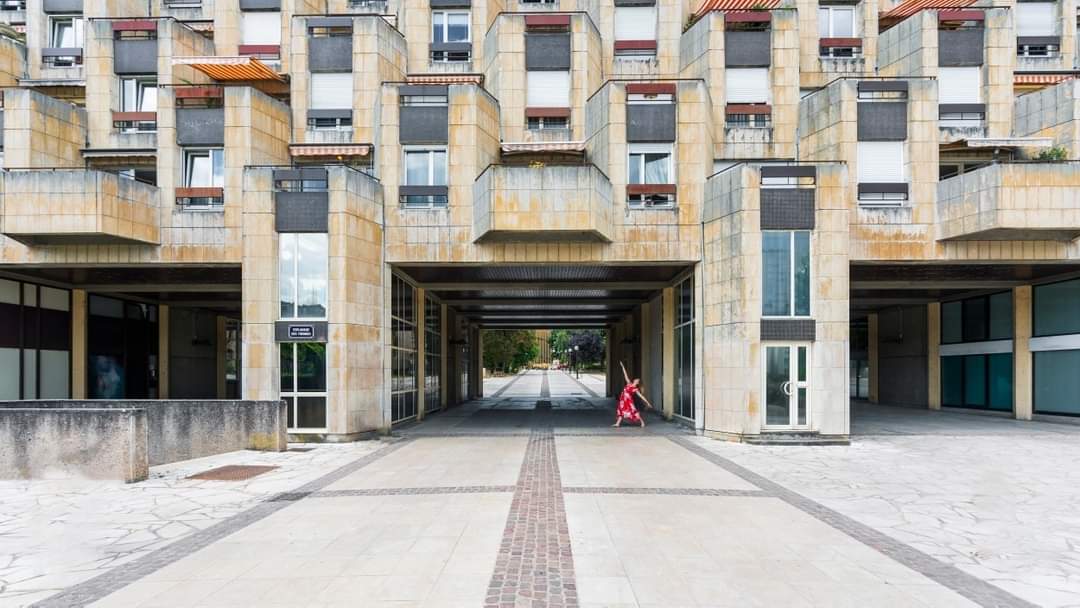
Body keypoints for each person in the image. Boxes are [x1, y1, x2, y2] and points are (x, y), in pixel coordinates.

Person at [613, 361, 654, 428]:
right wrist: (623, 367)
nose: (635, 379)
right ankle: (617, 423)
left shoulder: (635, 389)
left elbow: (641, 396)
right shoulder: (629, 383)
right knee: (621, 411)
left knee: (633, 411)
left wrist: (647, 402)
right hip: (623, 401)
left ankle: (642, 422)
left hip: (629, 402)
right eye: (636, 379)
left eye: (637, 380)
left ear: (637, 382)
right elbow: (625, 375)